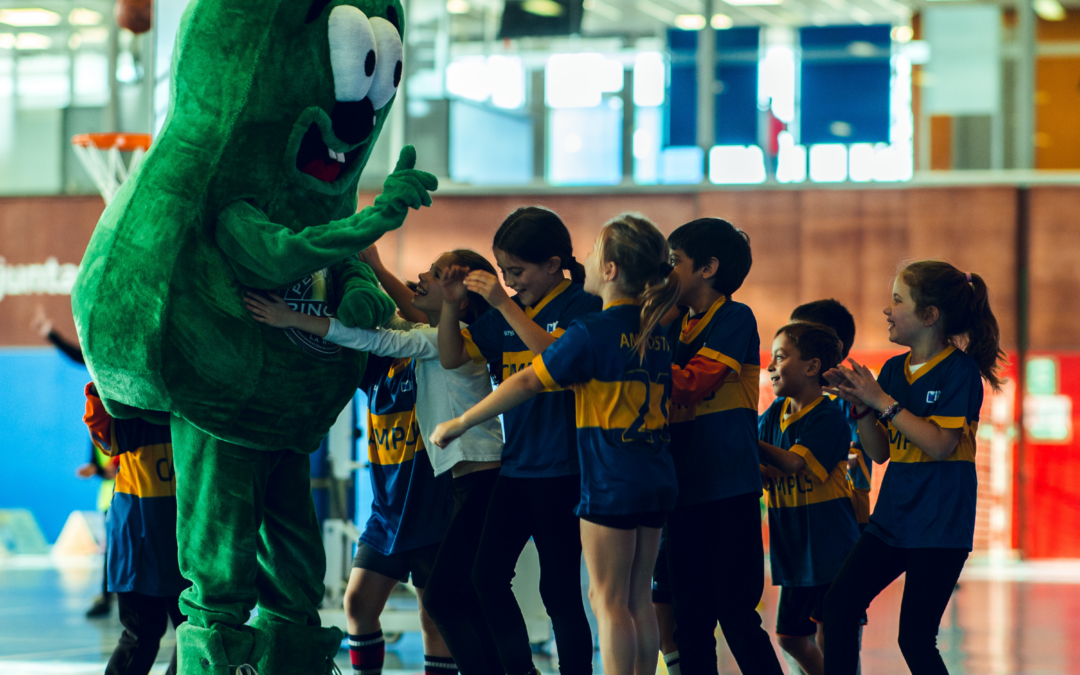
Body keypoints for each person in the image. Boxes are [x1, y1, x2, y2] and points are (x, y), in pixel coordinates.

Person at [431, 213, 680, 675]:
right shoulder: (655, 330)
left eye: (593, 253)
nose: (582, 259)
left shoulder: (588, 324)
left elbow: (532, 378)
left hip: (592, 477)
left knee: (599, 600)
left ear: (609, 270)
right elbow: (457, 357)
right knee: (632, 599)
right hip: (643, 477)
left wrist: (461, 422)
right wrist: (457, 305)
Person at [436, 206, 599, 675]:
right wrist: (451, 303)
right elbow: (452, 358)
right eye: (504, 272)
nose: (510, 282)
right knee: (485, 577)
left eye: (517, 271)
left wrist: (505, 305)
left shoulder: (582, 305)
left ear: (553, 263)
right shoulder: (507, 316)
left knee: (560, 593)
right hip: (516, 469)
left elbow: (559, 356)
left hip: (566, 471)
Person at [821, 261, 1005, 675]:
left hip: (940, 526)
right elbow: (880, 452)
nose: (887, 309)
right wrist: (862, 409)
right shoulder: (890, 370)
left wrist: (882, 401)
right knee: (838, 607)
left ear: (928, 316)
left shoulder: (960, 372)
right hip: (893, 520)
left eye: (897, 300)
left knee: (915, 638)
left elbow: (940, 445)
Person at [663, 218, 783, 675]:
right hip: (682, 488)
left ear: (709, 268)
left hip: (728, 487)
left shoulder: (735, 318)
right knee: (690, 620)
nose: (666, 272)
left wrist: (631, 356)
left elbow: (691, 385)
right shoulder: (674, 324)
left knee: (735, 614)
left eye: (675, 262)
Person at [757, 323, 860, 675]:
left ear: (812, 367)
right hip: (795, 546)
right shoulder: (772, 416)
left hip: (830, 547)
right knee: (789, 636)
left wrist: (739, 434)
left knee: (830, 633)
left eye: (780, 357)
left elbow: (793, 462)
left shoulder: (829, 417)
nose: (770, 366)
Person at [84, 382, 190, 675]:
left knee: (193, 633)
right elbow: (103, 434)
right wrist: (100, 385)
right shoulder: (131, 417)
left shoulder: (191, 414)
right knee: (143, 634)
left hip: (185, 544)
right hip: (140, 543)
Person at [31, 306, 116, 618]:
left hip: (139, 489)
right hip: (114, 493)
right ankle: (108, 598)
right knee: (114, 550)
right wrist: (51, 334)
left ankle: (140, 599)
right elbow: (81, 355)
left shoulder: (128, 406)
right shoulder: (100, 415)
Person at [789, 301, 868, 529]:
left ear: (835, 347)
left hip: (843, 519)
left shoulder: (852, 399)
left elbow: (856, 458)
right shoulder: (784, 402)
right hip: (793, 517)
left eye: (798, 338)